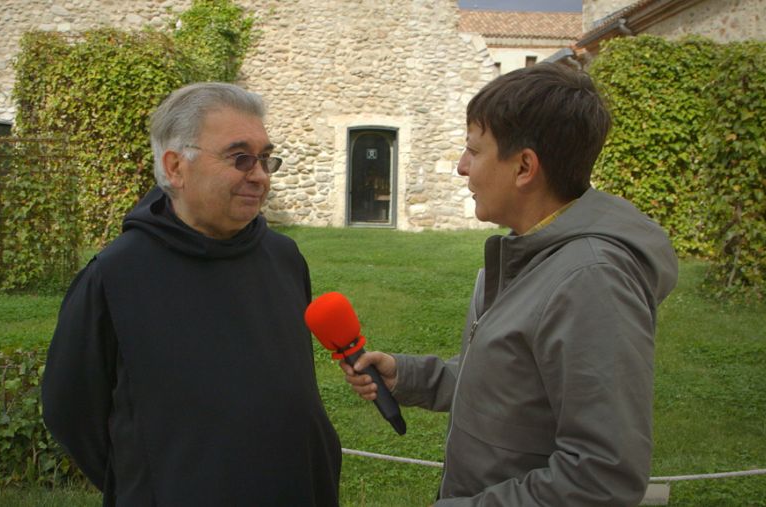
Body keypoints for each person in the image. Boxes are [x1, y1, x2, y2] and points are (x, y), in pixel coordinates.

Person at [341, 63, 678, 506]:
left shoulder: (592, 280)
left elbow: (601, 477)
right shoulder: (528, 252)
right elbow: (507, 386)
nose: (462, 168)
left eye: (474, 151)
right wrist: (409, 375)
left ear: (524, 167)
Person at [42, 82, 341, 506]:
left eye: (264, 159)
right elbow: (69, 412)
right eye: (240, 158)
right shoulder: (115, 276)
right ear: (176, 167)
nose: (258, 174)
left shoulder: (283, 257)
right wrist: (154, 480)